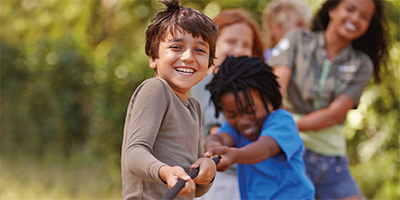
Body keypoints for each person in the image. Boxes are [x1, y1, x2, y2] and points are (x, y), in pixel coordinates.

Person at [268, 0, 390, 199]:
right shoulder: (297, 40)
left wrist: (289, 124)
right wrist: (279, 129)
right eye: (350, 9)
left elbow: (334, 114)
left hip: (332, 160)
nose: (355, 19)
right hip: (290, 152)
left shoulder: (361, 63)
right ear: (332, 9)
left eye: (364, 16)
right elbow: (275, 89)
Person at [120, 0, 219, 199]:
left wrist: (206, 172)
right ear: (152, 57)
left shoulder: (194, 107)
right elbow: (134, 153)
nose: (189, 57)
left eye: (200, 50)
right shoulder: (156, 89)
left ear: (209, 64)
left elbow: (195, 188)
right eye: (176, 47)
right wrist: (165, 172)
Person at [204, 56, 315, 200]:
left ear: (268, 98)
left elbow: (265, 148)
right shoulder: (235, 129)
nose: (242, 121)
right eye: (232, 115)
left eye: (250, 110)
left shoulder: (282, 122)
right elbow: (219, 137)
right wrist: (214, 148)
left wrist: (235, 155)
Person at [190, 8, 264, 200]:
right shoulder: (207, 80)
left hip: (248, 175)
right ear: (212, 43)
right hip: (221, 178)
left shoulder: (248, 88)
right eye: (231, 41)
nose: (238, 50)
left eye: (246, 45)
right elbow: (215, 129)